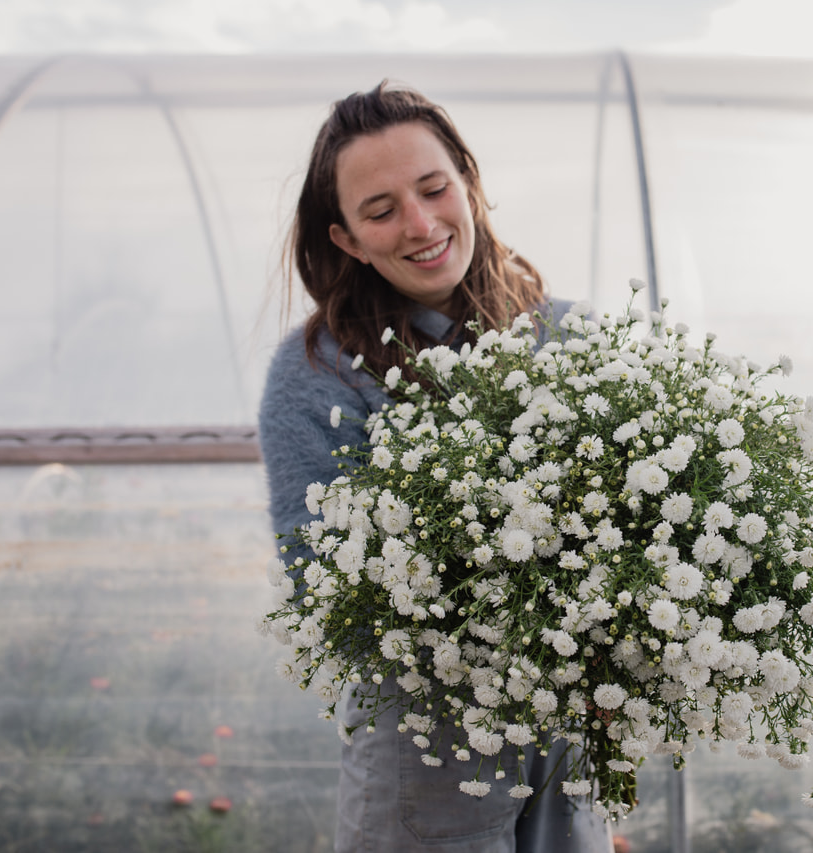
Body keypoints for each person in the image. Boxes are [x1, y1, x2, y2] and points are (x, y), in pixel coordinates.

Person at [258, 82, 612, 853]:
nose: (420, 225)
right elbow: (320, 581)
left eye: (432, 188)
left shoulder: (570, 337)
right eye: (381, 210)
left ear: (469, 184)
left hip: (569, 743)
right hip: (427, 747)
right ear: (348, 239)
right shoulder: (319, 374)